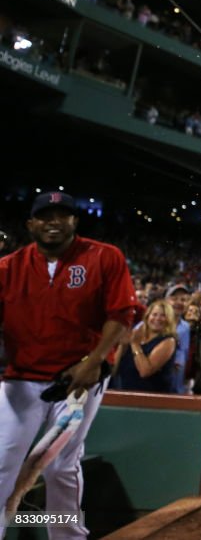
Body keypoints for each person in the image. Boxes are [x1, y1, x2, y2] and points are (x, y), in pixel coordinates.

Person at [0, 191, 136, 538]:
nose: (54, 222)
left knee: (60, 465)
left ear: (75, 221)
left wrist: (94, 361)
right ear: (31, 223)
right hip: (21, 380)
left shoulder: (104, 257)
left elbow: (120, 314)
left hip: (77, 380)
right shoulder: (8, 267)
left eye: (62, 215)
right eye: (45, 215)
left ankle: (68, 536)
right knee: (2, 462)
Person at [112, 299, 177, 393]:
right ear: (147, 317)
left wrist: (135, 344)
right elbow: (113, 370)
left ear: (169, 319)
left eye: (163, 315)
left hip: (152, 401)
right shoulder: (136, 335)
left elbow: (145, 371)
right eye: (154, 314)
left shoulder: (169, 341)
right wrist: (123, 344)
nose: (157, 318)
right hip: (124, 394)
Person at [164, 283, 192, 393]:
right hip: (156, 387)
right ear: (165, 301)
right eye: (174, 298)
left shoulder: (186, 327)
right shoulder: (153, 323)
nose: (179, 302)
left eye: (183, 299)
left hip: (178, 388)